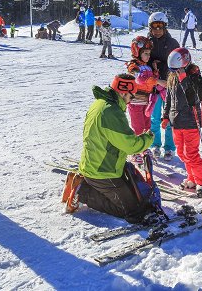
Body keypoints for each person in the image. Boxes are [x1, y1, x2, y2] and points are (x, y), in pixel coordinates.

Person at [63, 74, 156, 222]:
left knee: (135, 195)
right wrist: (148, 138)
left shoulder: (102, 103)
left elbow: (118, 137)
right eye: (131, 97)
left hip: (99, 164)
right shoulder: (111, 112)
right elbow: (130, 145)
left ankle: (85, 183)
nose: (132, 101)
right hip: (103, 171)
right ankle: (83, 192)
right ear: (123, 92)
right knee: (134, 212)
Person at [162, 48, 202, 196]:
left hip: (191, 120)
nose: (175, 72)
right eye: (173, 70)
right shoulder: (172, 77)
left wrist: (184, 78)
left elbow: (194, 98)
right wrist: (165, 116)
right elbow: (168, 99)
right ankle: (192, 178)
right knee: (182, 153)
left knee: (191, 153)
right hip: (177, 121)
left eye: (177, 69)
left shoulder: (194, 76)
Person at [147, 12, 179, 160]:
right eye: (155, 26)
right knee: (154, 118)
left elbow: (180, 62)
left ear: (165, 27)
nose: (158, 30)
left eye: (161, 26)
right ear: (150, 27)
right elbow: (141, 61)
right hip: (153, 87)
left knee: (170, 117)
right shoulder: (147, 42)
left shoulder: (172, 43)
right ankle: (155, 145)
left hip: (169, 86)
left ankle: (169, 147)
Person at [126, 36, 163, 137]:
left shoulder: (147, 67)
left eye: (149, 54)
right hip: (135, 101)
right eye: (145, 53)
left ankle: (145, 148)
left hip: (146, 101)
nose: (148, 56)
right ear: (137, 52)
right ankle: (137, 150)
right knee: (138, 127)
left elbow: (152, 82)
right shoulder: (134, 65)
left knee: (147, 126)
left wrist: (155, 71)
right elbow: (140, 79)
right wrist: (157, 81)